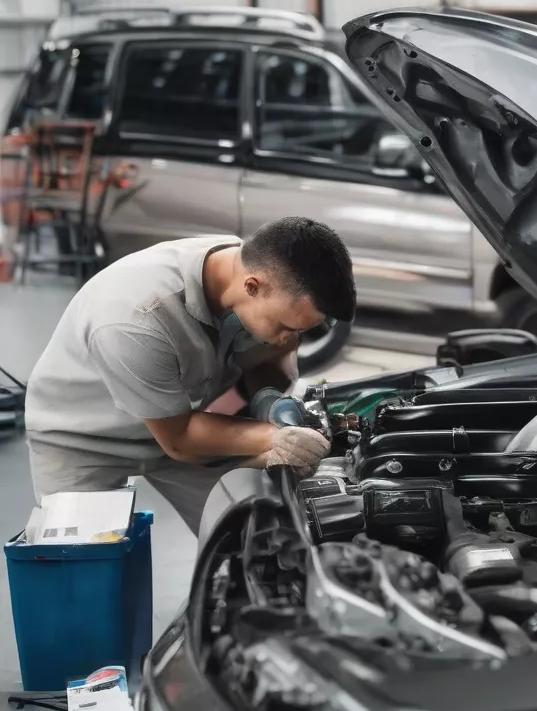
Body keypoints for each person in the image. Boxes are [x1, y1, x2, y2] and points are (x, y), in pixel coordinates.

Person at [24, 216, 354, 535]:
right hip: (86, 441)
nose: (289, 340)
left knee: (260, 535)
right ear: (252, 286)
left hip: (183, 422)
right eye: (285, 328)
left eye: (299, 332)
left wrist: (269, 402)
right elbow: (180, 439)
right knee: (83, 567)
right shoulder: (135, 319)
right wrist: (272, 439)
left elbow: (273, 359)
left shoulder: (255, 276)